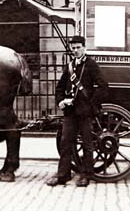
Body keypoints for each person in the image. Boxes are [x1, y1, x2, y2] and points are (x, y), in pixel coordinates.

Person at [46, 35, 108, 187]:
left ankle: (86, 175)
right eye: (73, 48)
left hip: (84, 113)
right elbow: (60, 87)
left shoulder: (91, 64)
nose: (75, 51)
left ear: (84, 48)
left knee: (87, 144)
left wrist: (90, 104)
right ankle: (63, 175)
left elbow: (103, 86)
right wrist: (61, 101)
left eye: (78, 48)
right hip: (70, 112)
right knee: (65, 143)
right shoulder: (70, 66)